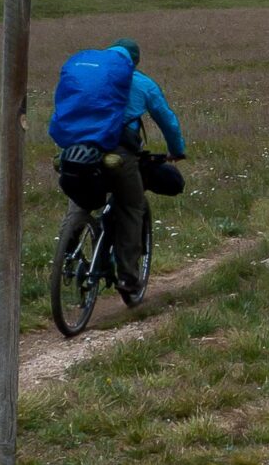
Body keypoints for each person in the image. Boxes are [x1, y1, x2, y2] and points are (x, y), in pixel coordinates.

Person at [48, 38, 184, 304]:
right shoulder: (142, 82)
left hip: (77, 152)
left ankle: (68, 250)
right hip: (118, 154)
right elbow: (167, 119)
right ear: (133, 62)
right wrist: (177, 150)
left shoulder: (87, 76)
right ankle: (128, 278)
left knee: (79, 204)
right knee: (132, 207)